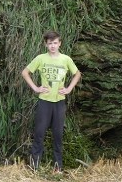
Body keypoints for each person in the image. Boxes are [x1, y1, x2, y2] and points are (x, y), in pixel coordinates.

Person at [21, 30, 81, 172]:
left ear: (59, 43)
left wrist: (69, 89)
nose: (52, 46)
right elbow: (25, 72)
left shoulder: (66, 59)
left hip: (59, 102)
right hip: (44, 102)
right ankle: (34, 165)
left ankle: (57, 166)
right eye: (50, 43)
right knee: (39, 133)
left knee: (58, 134)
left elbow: (77, 74)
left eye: (55, 43)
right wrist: (36, 88)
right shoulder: (41, 58)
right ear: (46, 44)